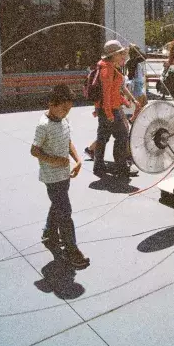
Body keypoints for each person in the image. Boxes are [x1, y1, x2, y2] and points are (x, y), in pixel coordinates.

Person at [30, 85, 89, 269]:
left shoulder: (64, 120)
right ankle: (71, 249)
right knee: (65, 211)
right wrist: (53, 160)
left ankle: (49, 232)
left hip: (64, 175)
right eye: (63, 109)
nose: (65, 113)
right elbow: (34, 150)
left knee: (58, 203)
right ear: (51, 104)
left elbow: (67, 140)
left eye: (69, 109)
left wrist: (78, 159)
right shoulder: (43, 125)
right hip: (51, 175)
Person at [93, 40, 138, 178]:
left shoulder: (108, 67)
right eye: (119, 53)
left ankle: (98, 166)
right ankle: (121, 167)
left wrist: (124, 101)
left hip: (108, 108)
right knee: (122, 136)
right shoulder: (107, 69)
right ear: (112, 55)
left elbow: (114, 92)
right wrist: (109, 113)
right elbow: (106, 94)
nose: (122, 56)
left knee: (103, 138)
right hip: (110, 110)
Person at [126, 44, 148, 121]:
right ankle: (133, 119)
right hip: (136, 84)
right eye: (137, 51)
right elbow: (145, 57)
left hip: (139, 84)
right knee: (140, 104)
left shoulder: (132, 60)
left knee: (144, 103)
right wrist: (138, 51)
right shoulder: (133, 61)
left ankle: (140, 118)